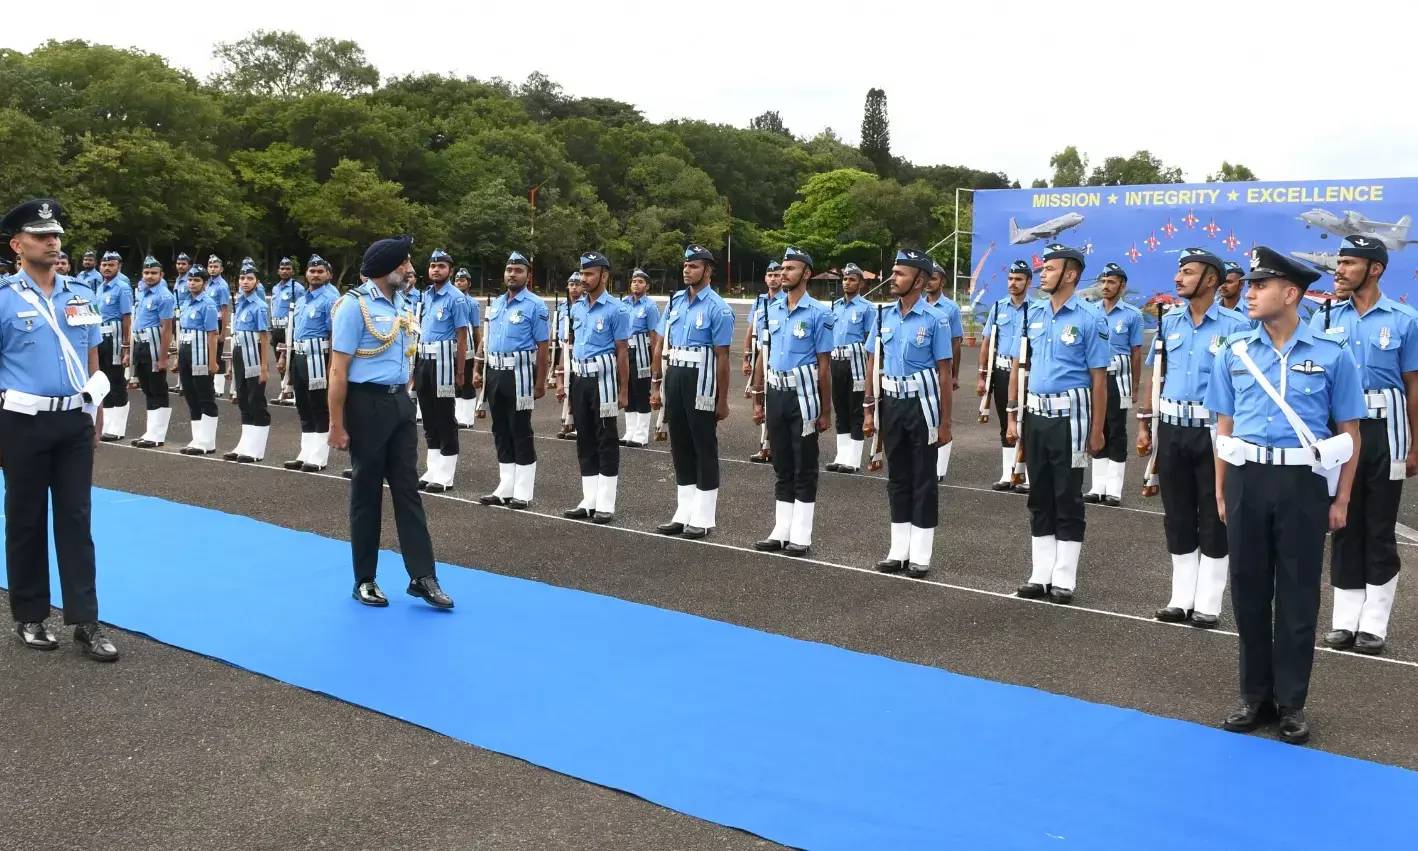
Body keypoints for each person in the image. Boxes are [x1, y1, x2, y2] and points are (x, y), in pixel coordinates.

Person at [1206, 246, 1366, 745]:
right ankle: (1255, 697)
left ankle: (1292, 703)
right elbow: (1223, 425)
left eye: (1260, 286)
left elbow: (1350, 431)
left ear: (1290, 293)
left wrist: (1340, 500)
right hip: (1247, 478)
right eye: (1249, 285)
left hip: (1302, 485)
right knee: (1249, 590)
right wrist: (1221, 490)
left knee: (1298, 594)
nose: (1248, 293)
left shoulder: (1332, 354)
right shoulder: (1233, 352)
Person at [0, 198, 118, 661]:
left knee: (76, 519)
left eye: (56, 236)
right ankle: (30, 616)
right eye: (42, 235)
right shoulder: (4, 298)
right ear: (17, 245)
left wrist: (96, 410)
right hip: (21, 421)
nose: (53, 242)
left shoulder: (79, 295)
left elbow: (91, 357)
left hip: (73, 419)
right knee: (26, 518)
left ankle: (86, 620)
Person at [328, 235, 453, 610]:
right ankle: (364, 579)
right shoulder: (354, 306)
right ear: (389, 268)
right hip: (366, 403)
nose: (411, 269)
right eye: (406, 263)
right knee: (366, 493)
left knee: (408, 491)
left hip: (399, 401)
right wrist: (336, 424)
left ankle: (422, 576)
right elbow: (338, 368)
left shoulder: (402, 304)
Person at [1312, 236, 1418, 655]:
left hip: (1385, 431)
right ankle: (1344, 621)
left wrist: (1415, 446)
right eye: (1338, 262)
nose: (1338, 269)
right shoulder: (1325, 318)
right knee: (1342, 521)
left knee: (1378, 526)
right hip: (1340, 432)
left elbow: (1414, 386)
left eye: (1348, 263)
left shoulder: (1406, 319)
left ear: (1374, 269)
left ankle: (1374, 625)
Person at [1137, 248, 1250, 627]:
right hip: (1172, 427)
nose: (1178, 278)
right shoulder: (1169, 322)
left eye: (1187, 272)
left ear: (1211, 280)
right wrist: (1145, 421)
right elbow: (1158, 375)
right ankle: (1180, 596)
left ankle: (1209, 601)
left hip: (1214, 430)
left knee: (1215, 513)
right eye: (1179, 271)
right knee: (1178, 513)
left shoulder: (1237, 326)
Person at [1006, 244, 1109, 604]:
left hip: (1072, 418)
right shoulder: (1034, 313)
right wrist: (1016, 414)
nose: (1043, 272)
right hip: (1036, 415)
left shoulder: (1089, 318)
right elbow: (1026, 368)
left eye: (1050, 267)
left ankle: (1064, 577)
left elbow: (1099, 379)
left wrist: (1097, 430)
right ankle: (1040, 574)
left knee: (1067, 495)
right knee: (1039, 494)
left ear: (1071, 274)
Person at [861, 250, 953, 576]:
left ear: (919, 281)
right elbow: (874, 362)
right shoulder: (883, 316)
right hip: (893, 403)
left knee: (923, 480)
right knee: (897, 478)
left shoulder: (935, 320)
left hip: (923, 405)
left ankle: (921, 555)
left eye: (900, 273)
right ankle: (898, 550)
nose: (892, 278)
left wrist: (945, 422)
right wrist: (869, 409)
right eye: (893, 272)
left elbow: (944, 373)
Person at [751, 247, 834, 555]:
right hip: (777, 392)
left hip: (805, 394)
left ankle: (802, 533)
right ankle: (781, 529)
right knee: (782, 463)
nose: (783, 273)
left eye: (790, 268)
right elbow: (764, 354)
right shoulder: (770, 309)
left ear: (806, 274)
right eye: (782, 268)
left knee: (805, 465)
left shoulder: (820, 314)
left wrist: (826, 410)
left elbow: (824, 366)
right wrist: (758, 396)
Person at [654, 244, 735, 538]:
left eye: (694, 266)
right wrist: (657, 382)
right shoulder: (675, 302)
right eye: (686, 266)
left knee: (703, 446)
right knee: (680, 445)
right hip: (675, 374)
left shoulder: (718, 308)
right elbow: (663, 343)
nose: (687, 270)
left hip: (702, 379)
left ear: (708, 270)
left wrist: (723, 400)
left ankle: (703, 516)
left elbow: (723, 357)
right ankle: (683, 511)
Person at [561, 251, 630, 522]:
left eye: (589, 274)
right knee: (584, 438)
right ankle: (589, 499)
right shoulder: (576, 307)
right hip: (580, 378)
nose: (584, 279)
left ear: (604, 276)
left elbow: (622, 351)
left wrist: (624, 390)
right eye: (582, 273)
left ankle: (605, 503)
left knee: (605, 440)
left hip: (604, 381)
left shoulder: (616, 310)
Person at [476, 251, 550, 508]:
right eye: (509, 270)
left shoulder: (535, 305)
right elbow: (487, 341)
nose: (512, 274)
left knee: (520, 429)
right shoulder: (496, 304)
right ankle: (505, 485)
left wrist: (540, 382)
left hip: (520, 374)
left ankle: (523, 491)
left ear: (528, 276)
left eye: (518, 270)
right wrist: (479, 369)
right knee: (500, 429)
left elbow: (543, 347)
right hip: (495, 373)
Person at [1083, 263, 1144, 507]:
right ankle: (1097, 487)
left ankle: (1114, 489)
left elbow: (1136, 353)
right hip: (1095, 376)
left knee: (1116, 429)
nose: (1106, 286)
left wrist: (1135, 386)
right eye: (1103, 282)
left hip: (1120, 378)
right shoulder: (1091, 312)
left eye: (1111, 282)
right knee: (1097, 426)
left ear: (1122, 285)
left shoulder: (1132, 315)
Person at [413, 249, 469, 493]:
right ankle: (432, 468)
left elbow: (462, 334)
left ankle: (446, 474)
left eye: (441, 266)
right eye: (433, 265)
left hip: (444, 362)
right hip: (424, 360)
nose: (436, 269)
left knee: (445, 417)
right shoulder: (426, 296)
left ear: (451, 270)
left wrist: (460, 370)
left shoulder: (456, 298)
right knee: (428, 416)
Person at [282, 255, 340, 472]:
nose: (315, 275)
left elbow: (334, 334)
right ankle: (305, 452)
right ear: (306, 273)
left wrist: (331, 365)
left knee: (318, 405)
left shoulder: (330, 299)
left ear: (328, 275)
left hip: (318, 355)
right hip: (299, 355)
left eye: (320, 272)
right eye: (312, 271)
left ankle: (318, 456)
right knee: (303, 405)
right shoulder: (303, 298)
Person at [979, 261, 1032, 490]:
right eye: (1010, 279)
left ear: (1028, 282)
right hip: (1001, 372)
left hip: (1027, 374)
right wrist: (982, 375)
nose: (1013, 283)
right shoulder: (999, 307)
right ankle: (1007, 474)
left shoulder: (1037, 308)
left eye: (1018, 279)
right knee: (1006, 423)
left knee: (1028, 424)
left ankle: (1027, 476)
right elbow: (987, 342)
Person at [824, 263, 870, 474]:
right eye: (845, 279)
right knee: (840, 408)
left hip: (857, 361)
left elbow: (870, 341)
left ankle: (854, 458)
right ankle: (841, 455)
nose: (847, 282)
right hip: (837, 359)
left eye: (852, 279)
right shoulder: (835, 307)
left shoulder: (867, 308)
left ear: (860, 283)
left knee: (856, 409)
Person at [222, 267, 271, 462]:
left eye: (249, 278)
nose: (245, 281)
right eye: (242, 278)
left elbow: (264, 338)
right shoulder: (240, 303)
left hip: (254, 355)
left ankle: (257, 449)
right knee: (243, 398)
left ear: (256, 282)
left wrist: (264, 367)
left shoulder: (259, 306)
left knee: (255, 400)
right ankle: (245, 443)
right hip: (240, 353)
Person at [129, 257, 176, 448]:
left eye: (153, 273)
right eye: (146, 273)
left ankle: (157, 434)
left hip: (154, 345)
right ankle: (150, 431)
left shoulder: (163, 296)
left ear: (161, 275)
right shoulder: (142, 293)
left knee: (157, 388)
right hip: (140, 343)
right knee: (147, 388)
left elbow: (166, 329)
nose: (149, 276)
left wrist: (163, 357)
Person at [926, 261, 964, 483]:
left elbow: (956, 343)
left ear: (942, 281)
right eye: (928, 277)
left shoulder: (950, 308)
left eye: (934, 278)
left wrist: (955, 374)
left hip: (942, 371)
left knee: (942, 415)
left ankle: (940, 467)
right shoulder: (919, 305)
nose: (930, 282)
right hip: (924, 373)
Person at [176, 267, 221, 456]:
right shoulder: (186, 302)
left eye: (197, 280)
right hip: (186, 351)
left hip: (201, 353)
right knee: (190, 395)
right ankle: (197, 438)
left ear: (205, 283)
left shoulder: (208, 304)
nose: (192, 283)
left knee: (204, 396)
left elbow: (212, 335)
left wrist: (212, 362)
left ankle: (208, 441)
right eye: (190, 280)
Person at [745, 262, 783, 463]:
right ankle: (765, 445)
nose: (773, 278)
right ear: (765, 278)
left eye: (777, 274)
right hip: (760, 353)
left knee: (774, 400)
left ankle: (773, 446)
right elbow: (751, 329)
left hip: (777, 355)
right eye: (770, 275)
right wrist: (746, 356)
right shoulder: (759, 301)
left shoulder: (786, 300)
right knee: (758, 397)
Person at [95, 251, 134, 441]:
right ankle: (107, 423)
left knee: (116, 380)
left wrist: (126, 346)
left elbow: (127, 318)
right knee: (103, 379)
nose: (107, 268)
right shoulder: (101, 287)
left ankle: (118, 427)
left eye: (111, 265)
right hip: (100, 337)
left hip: (115, 336)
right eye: (104, 265)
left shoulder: (123, 288)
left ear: (118, 266)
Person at [620, 267, 661, 447]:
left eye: (640, 282)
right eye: (634, 281)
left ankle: (642, 433)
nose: (636, 284)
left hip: (642, 351)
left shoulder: (650, 306)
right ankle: (630, 431)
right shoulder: (624, 303)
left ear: (647, 286)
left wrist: (655, 361)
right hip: (625, 351)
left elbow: (654, 336)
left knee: (641, 391)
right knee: (627, 389)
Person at [269, 257, 305, 405]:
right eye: (282, 269)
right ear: (278, 271)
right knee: (280, 360)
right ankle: (284, 389)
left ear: (293, 271)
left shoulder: (297, 288)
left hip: (289, 327)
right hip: (276, 328)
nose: (284, 271)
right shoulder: (276, 288)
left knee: (290, 359)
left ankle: (294, 390)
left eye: (287, 269)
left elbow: (301, 308)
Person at [452, 268, 481, 428]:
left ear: (468, 283)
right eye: (457, 280)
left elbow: (476, 328)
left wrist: (479, 351)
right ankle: (457, 414)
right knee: (456, 382)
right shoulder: (452, 300)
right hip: (453, 345)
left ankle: (468, 418)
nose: (459, 283)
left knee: (467, 381)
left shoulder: (472, 303)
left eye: (462, 280)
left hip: (468, 345)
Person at [204, 255, 233, 397]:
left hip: (217, 321)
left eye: (215, 266)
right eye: (210, 266)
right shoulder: (206, 283)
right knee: (207, 353)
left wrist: (223, 332)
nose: (212, 269)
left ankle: (219, 387)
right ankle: (209, 384)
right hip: (206, 322)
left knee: (217, 354)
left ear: (221, 269)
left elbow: (224, 310)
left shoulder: (222, 286)